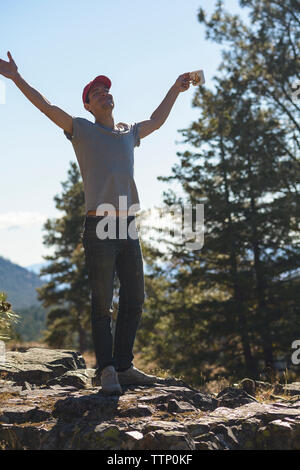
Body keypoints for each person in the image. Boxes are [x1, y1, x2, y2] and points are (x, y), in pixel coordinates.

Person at [0, 51, 192, 394]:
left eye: (106, 90)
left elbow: (157, 120)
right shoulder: (82, 129)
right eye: (96, 93)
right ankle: (105, 370)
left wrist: (175, 89)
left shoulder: (129, 132)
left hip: (128, 225)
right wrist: (16, 77)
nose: (105, 93)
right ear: (88, 106)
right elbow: (46, 108)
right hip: (99, 227)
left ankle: (124, 366)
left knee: (135, 299)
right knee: (102, 302)